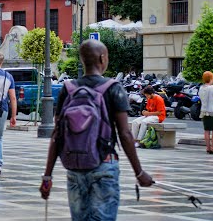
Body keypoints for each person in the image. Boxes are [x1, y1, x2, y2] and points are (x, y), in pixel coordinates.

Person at [40, 40, 153, 221]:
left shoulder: (67, 90)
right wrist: (139, 172)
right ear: (102, 58)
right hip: (104, 165)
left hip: (75, 168)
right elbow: (125, 133)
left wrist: (47, 176)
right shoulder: (113, 88)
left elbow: (57, 135)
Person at [199, 71, 213, 154]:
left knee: (207, 130)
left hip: (204, 111)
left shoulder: (201, 88)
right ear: (211, 78)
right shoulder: (212, 88)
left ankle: (208, 147)